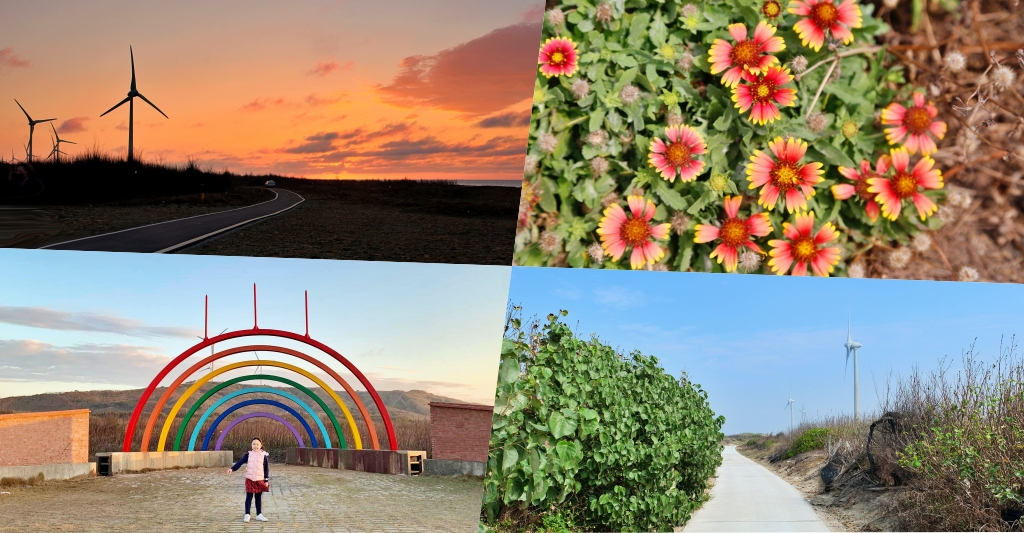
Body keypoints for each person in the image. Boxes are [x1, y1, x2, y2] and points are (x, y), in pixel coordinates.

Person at [227, 437, 270, 523]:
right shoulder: (248, 455)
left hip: (259, 479)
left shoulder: (264, 455)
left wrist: (266, 480)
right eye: (254, 444)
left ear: (261, 445)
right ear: (251, 445)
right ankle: (247, 514)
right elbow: (240, 462)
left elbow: (266, 469)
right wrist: (232, 469)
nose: (255, 446)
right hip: (250, 479)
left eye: (257, 444)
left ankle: (259, 514)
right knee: (249, 497)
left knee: (258, 497)